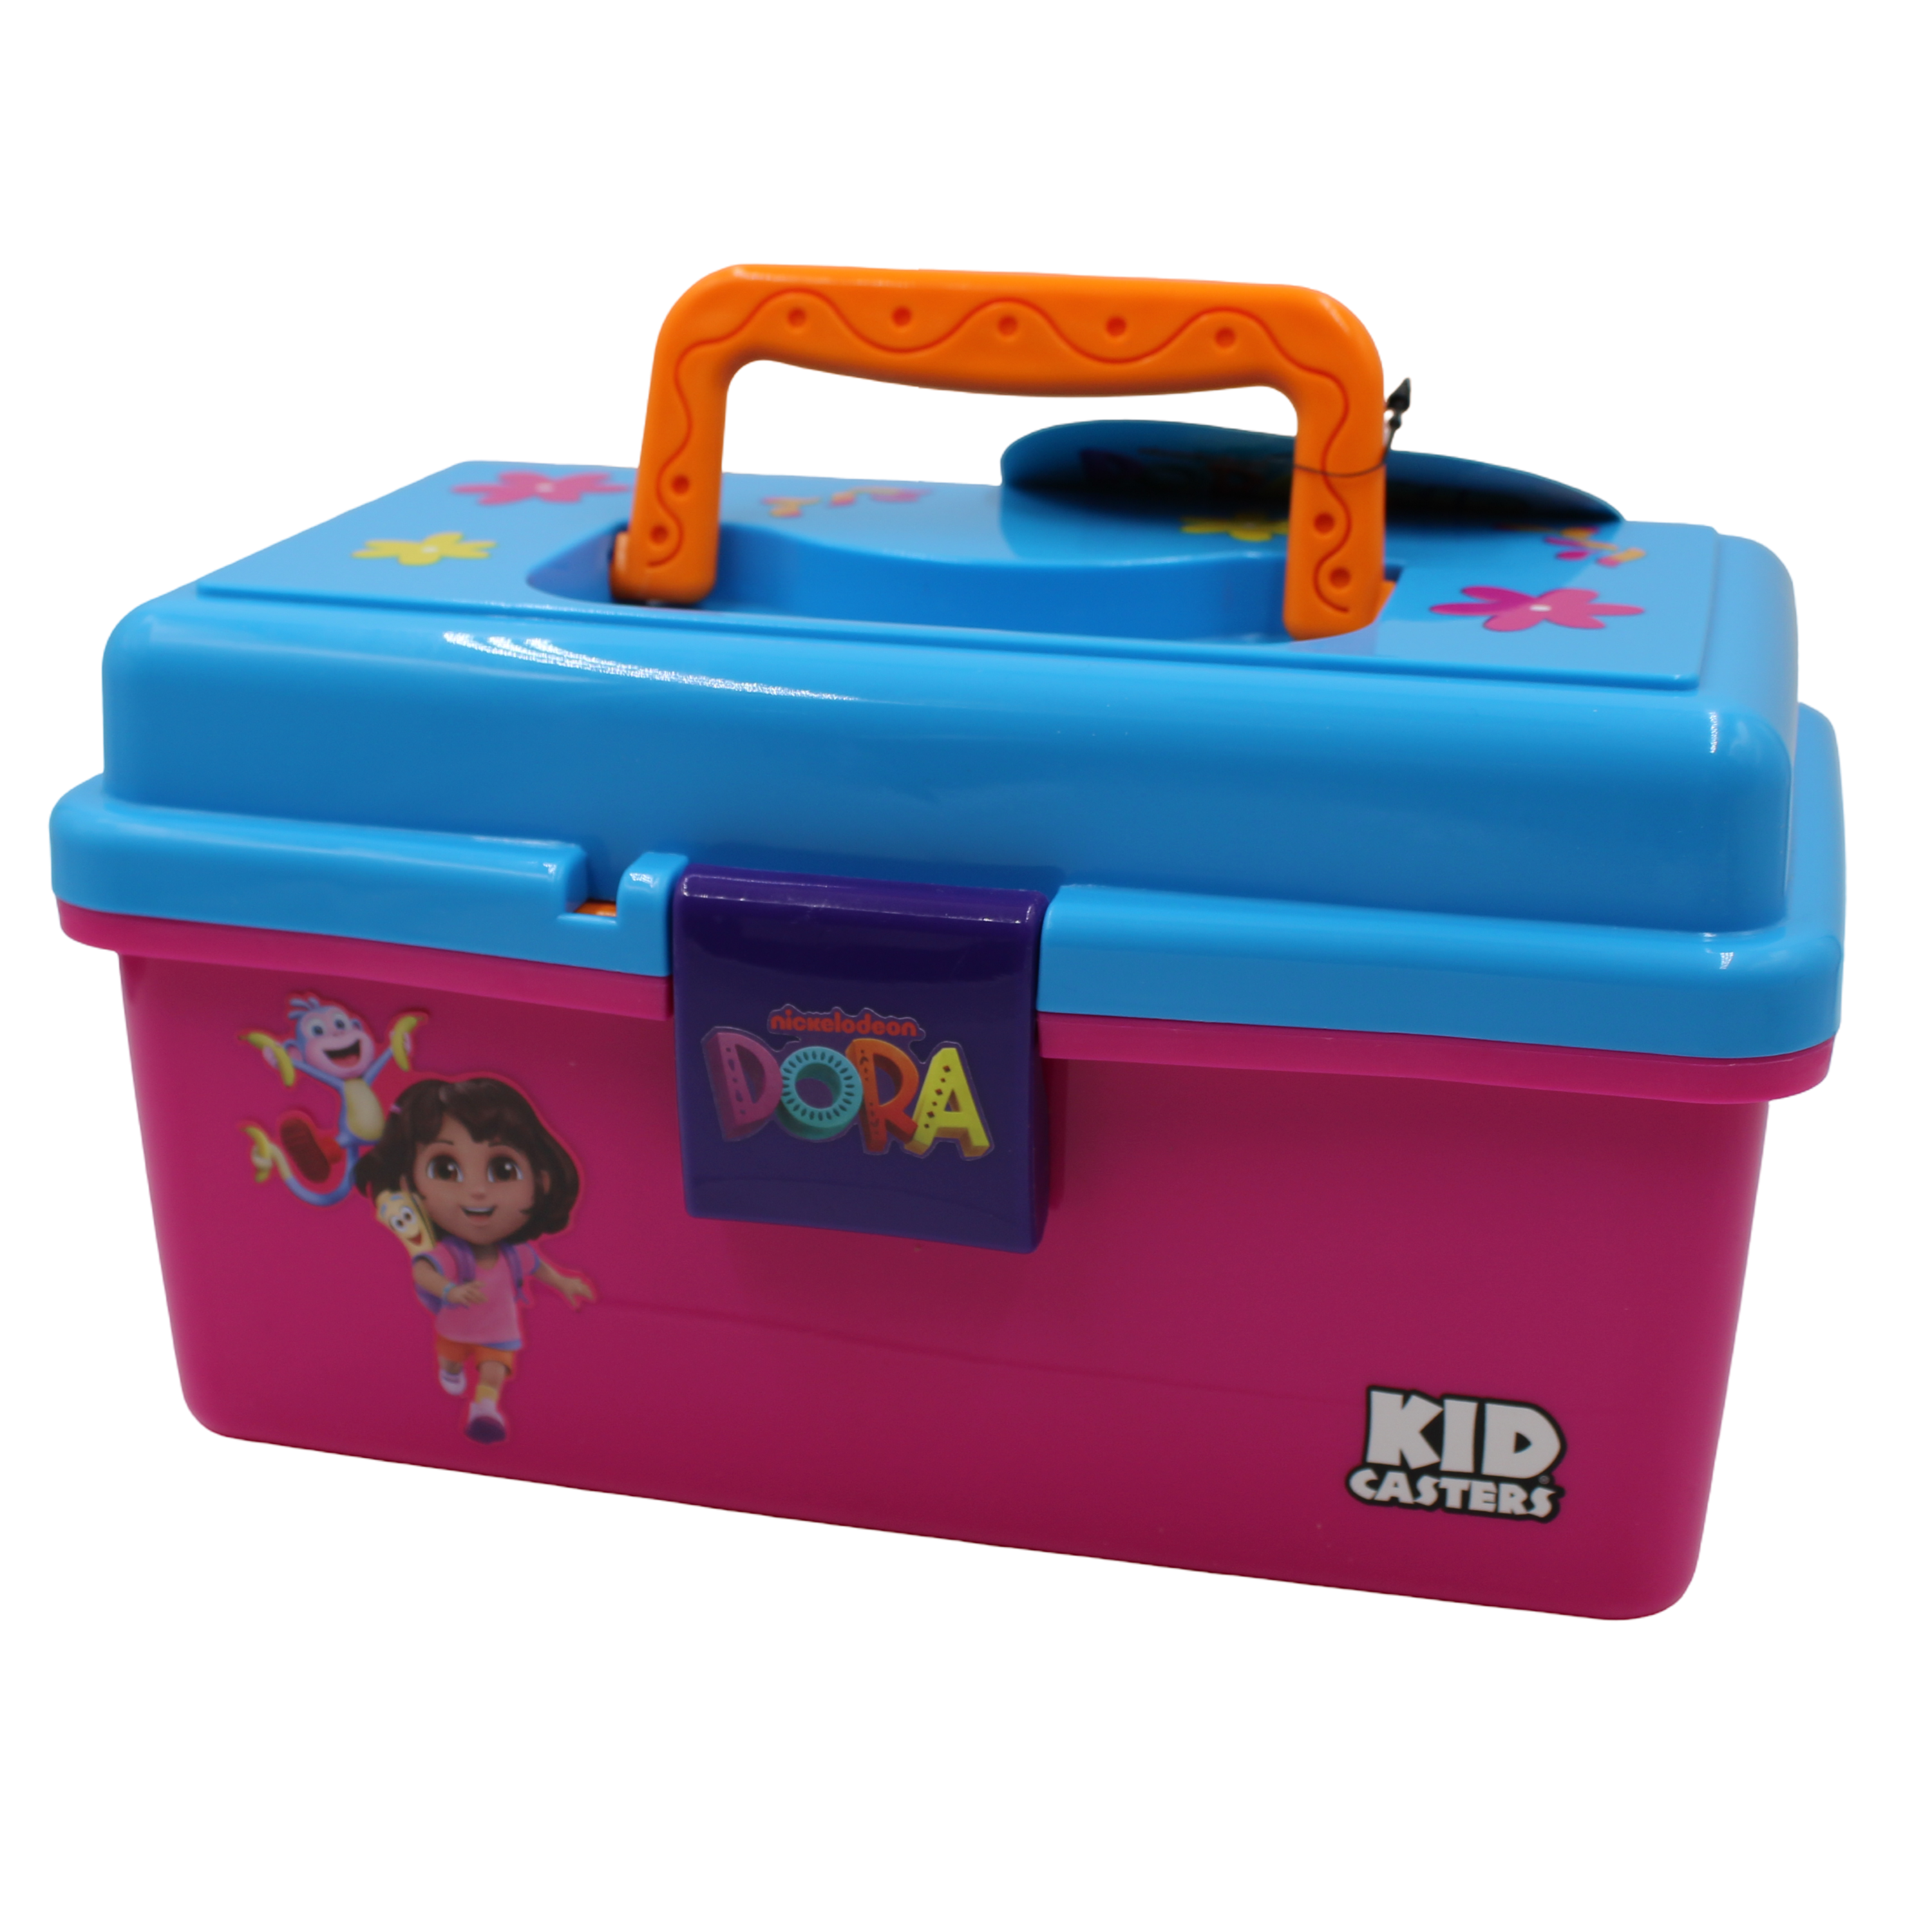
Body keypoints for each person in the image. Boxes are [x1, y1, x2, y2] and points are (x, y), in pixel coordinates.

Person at [354, 1077, 594, 1443]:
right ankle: (451, 1371)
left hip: (500, 1331)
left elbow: (537, 1266)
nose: (478, 1190)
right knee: (451, 1361)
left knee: (495, 1370)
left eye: (503, 1170)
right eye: (446, 1170)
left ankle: (485, 1408)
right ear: (409, 1184)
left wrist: (563, 1282)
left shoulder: (514, 1253)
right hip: (456, 1328)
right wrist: (449, 1291)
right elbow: (423, 1271)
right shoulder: (454, 1253)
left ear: (542, 1181)